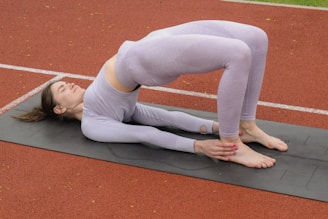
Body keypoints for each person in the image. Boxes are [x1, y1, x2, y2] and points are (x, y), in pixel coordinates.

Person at [14, 20, 288, 168]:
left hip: (151, 41)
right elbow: (145, 133)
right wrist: (198, 146)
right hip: (141, 60)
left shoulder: (109, 106)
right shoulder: (93, 124)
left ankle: (247, 126)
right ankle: (233, 144)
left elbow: (160, 116)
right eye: (62, 90)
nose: (70, 84)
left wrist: (210, 126)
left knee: (256, 38)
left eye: (66, 82)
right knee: (238, 54)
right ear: (60, 109)